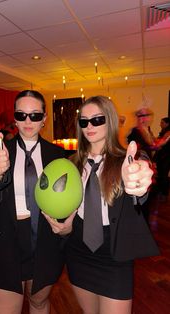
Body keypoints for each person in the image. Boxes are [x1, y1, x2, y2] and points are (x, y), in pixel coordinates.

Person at [44, 96, 159, 314]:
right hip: (79, 251)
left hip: (113, 254)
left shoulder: (127, 160)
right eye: (84, 121)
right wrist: (65, 228)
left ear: (110, 120)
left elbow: (139, 183)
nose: (89, 126)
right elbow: (65, 206)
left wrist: (139, 184)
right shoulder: (71, 164)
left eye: (97, 120)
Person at [0, 90, 74, 314]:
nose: (28, 121)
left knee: (39, 303)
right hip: (6, 241)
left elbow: (69, 197)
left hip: (45, 242)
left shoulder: (57, 154)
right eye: (22, 114)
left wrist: (68, 225)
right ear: (15, 117)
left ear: (44, 119)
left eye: (35, 115)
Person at [152, 117, 170, 200]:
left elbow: (161, 143)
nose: (160, 124)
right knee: (160, 174)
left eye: (162, 123)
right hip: (162, 157)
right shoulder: (164, 132)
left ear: (167, 124)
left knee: (163, 175)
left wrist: (152, 140)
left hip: (166, 157)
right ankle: (160, 193)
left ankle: (164, 194)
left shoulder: (168, 132)